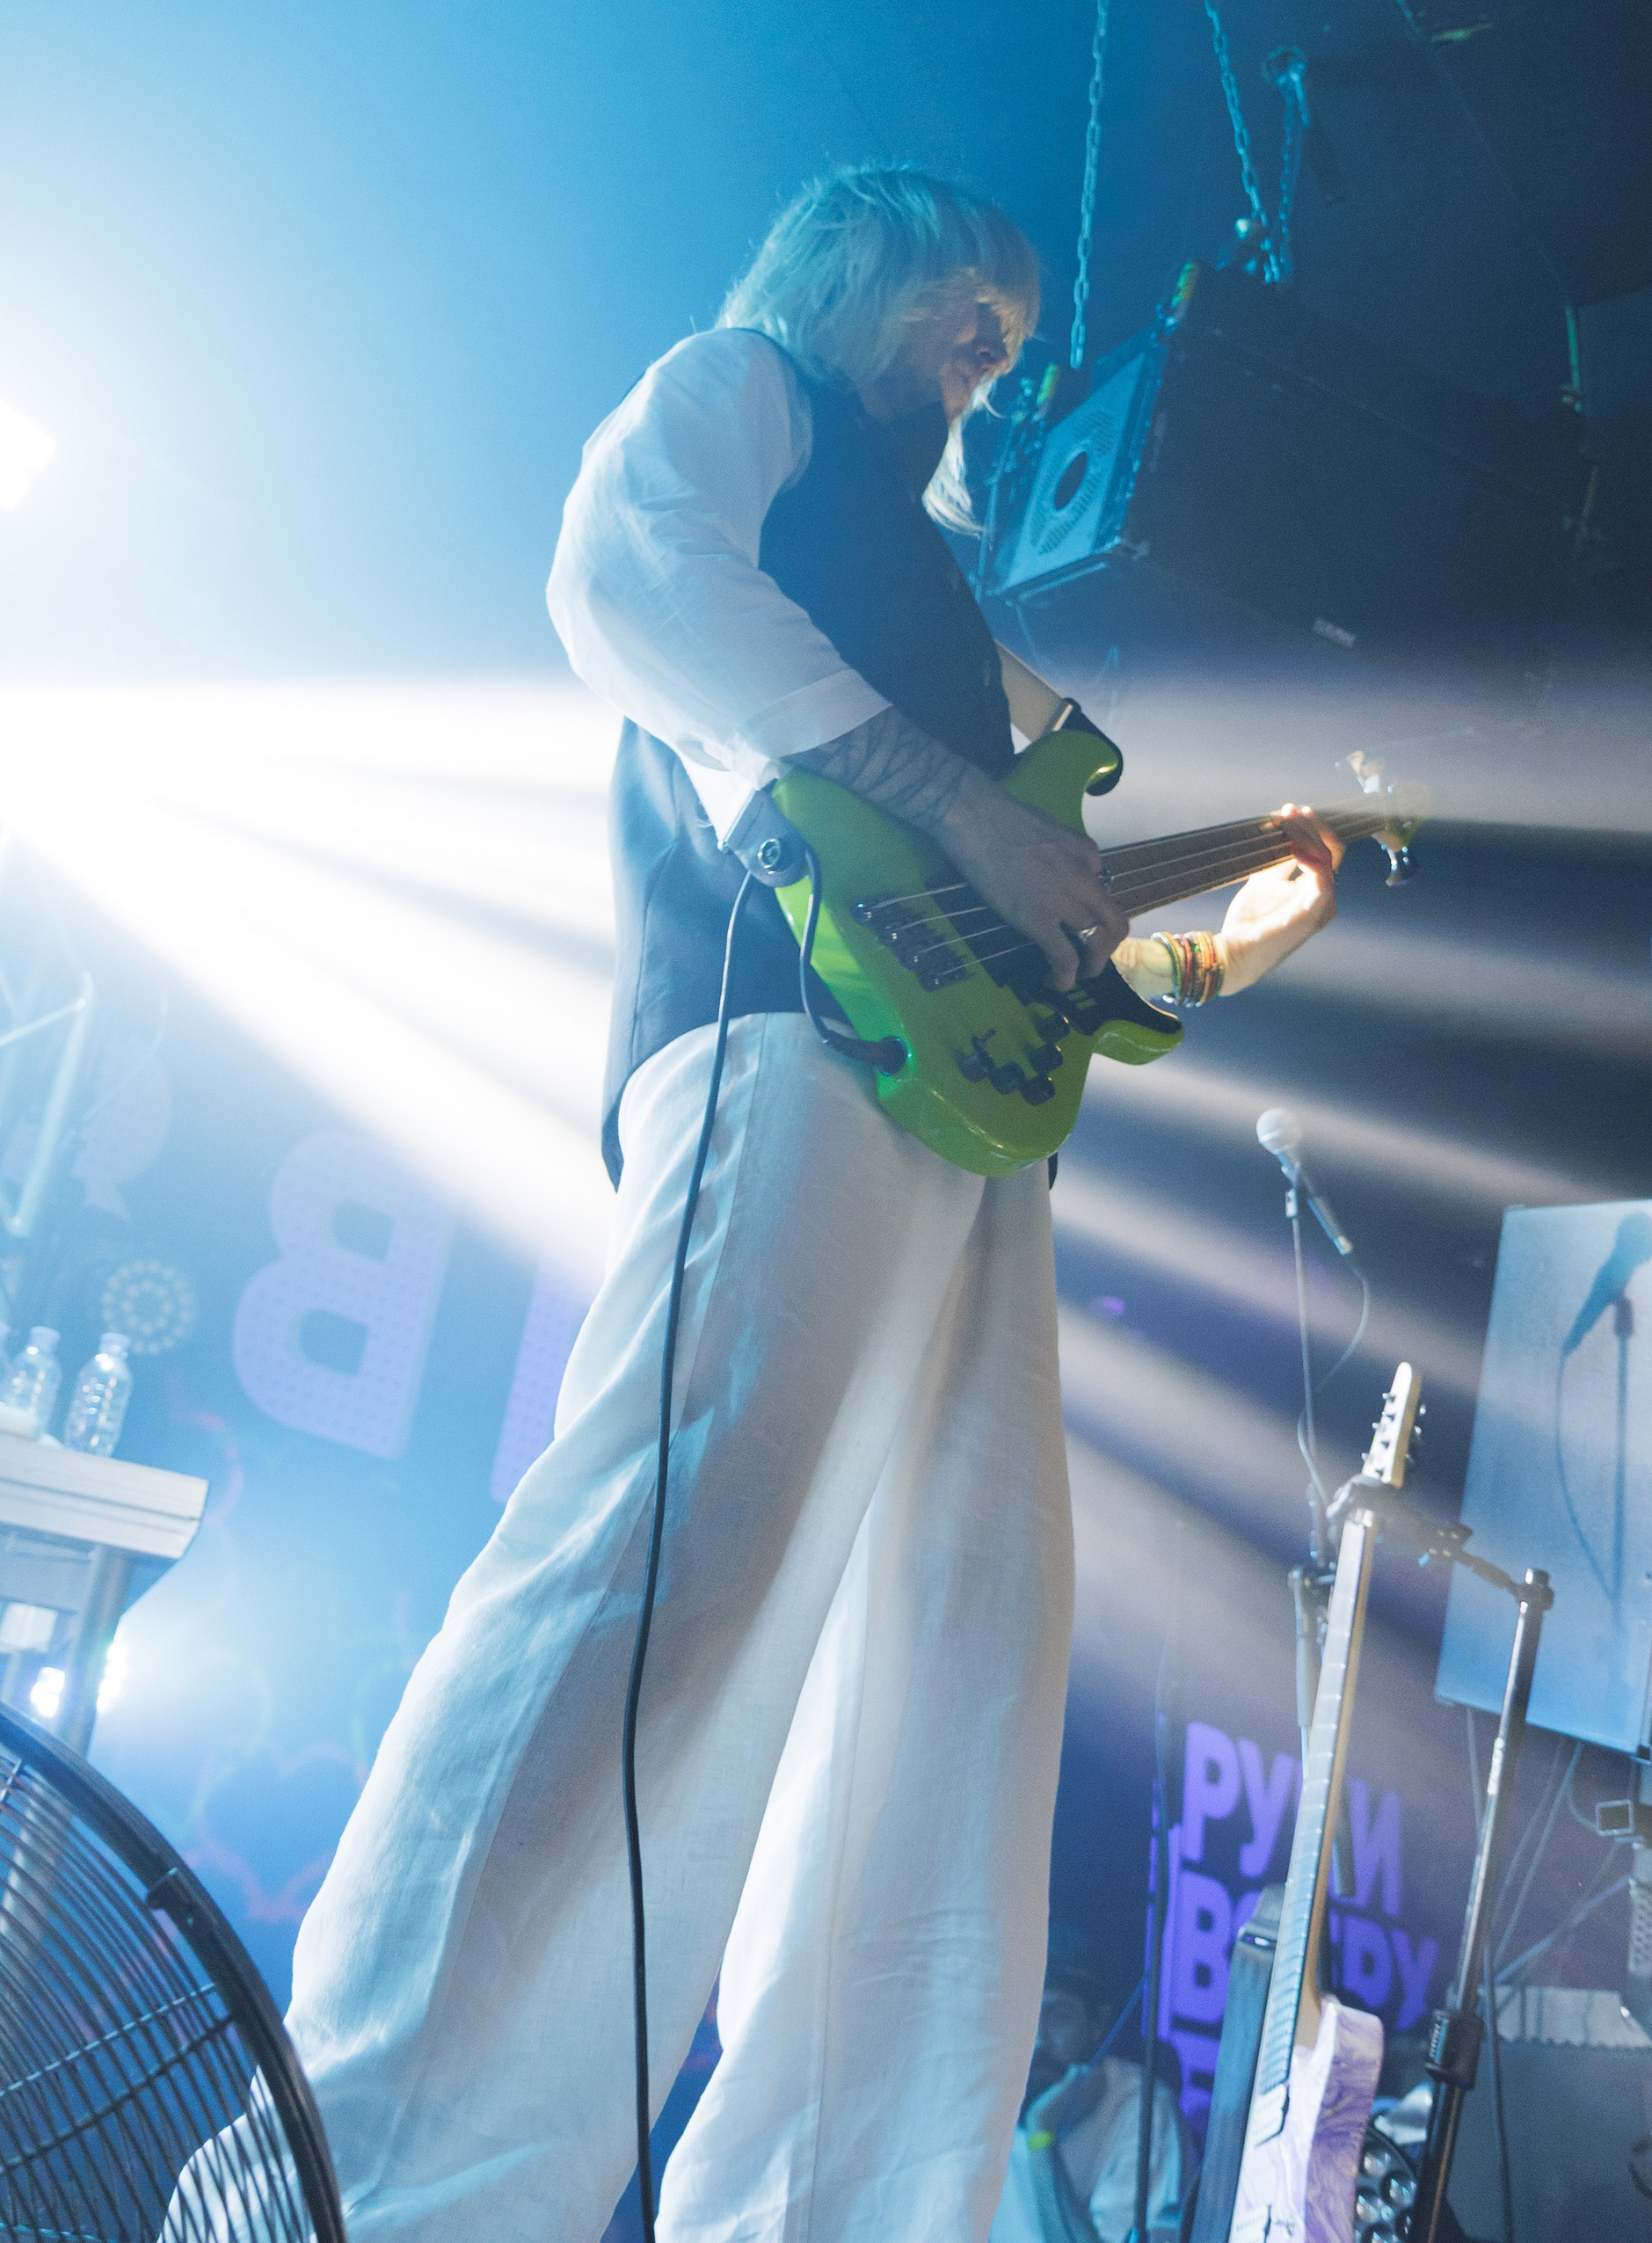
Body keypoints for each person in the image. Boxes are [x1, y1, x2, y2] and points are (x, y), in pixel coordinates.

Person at [273, 165, 1340, 2243]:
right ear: (855, 265)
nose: (994, 354)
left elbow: (1043, 933)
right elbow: (626, 572)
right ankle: (378, 2186)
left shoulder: (947, 606)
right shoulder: (744, 388)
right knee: (675, 1560)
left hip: (968, 1132)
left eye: (1013, 337)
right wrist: (955, 804)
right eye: (969, 301)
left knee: (953, 1663)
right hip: (777, 1036)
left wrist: (1222, 949)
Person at [991, 1930, 1187, 2243]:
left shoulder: (1142, 2110)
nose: (1038, 2041)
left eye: (1058, 2016)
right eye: (1026, 2014)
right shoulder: (983, 2098)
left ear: (1098, 2024)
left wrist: (1042, 2137)